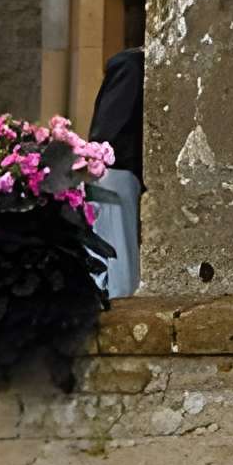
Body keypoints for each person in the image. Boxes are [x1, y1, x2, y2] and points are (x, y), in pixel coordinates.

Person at [84, 47, 144, 298]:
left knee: (120, 250)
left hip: (121, 171)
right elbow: (109, 128)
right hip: (115, 170)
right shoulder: (131, 65)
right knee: (115, 251)